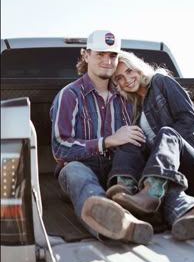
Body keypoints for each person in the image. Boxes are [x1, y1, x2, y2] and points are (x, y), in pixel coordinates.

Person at [106, 50, 194, 240]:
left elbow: (190, 120)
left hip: (192, 167)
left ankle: (151, 193)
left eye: (129, 71)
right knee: (129, 137)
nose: (127, 79)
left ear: (138, 68)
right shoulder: (134, 106)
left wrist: (167, 141)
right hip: (166, 175)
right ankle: (126, 193)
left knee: (166, 133)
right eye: (120, 77)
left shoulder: (160, 82)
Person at [50, 30, 154, 245]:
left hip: (120, 169)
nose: (107, 61)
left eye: (112, 56)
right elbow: (60, 147)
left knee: (150, 176)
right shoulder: (70, 95)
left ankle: (190, 211)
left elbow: (146, 130)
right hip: (81, 167)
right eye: (100, 55)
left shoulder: (127, 96)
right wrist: (107, 141)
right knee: (75, 171)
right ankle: (115, 224)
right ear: (86, 55)